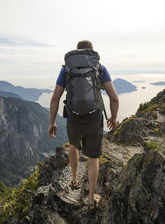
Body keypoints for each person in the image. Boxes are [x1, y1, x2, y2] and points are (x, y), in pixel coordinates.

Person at [48, 40, 119, 211]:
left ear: (77, 51)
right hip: (94, 119)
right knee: (94, 158)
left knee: (74, 146)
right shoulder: (99, 68)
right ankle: (90, 200)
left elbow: (55, 98)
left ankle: (74, 180)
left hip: (73, 118)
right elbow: (114, 98)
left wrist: (52, 122)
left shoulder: (67, 69)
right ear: (91, 53)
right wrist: (114, 118)